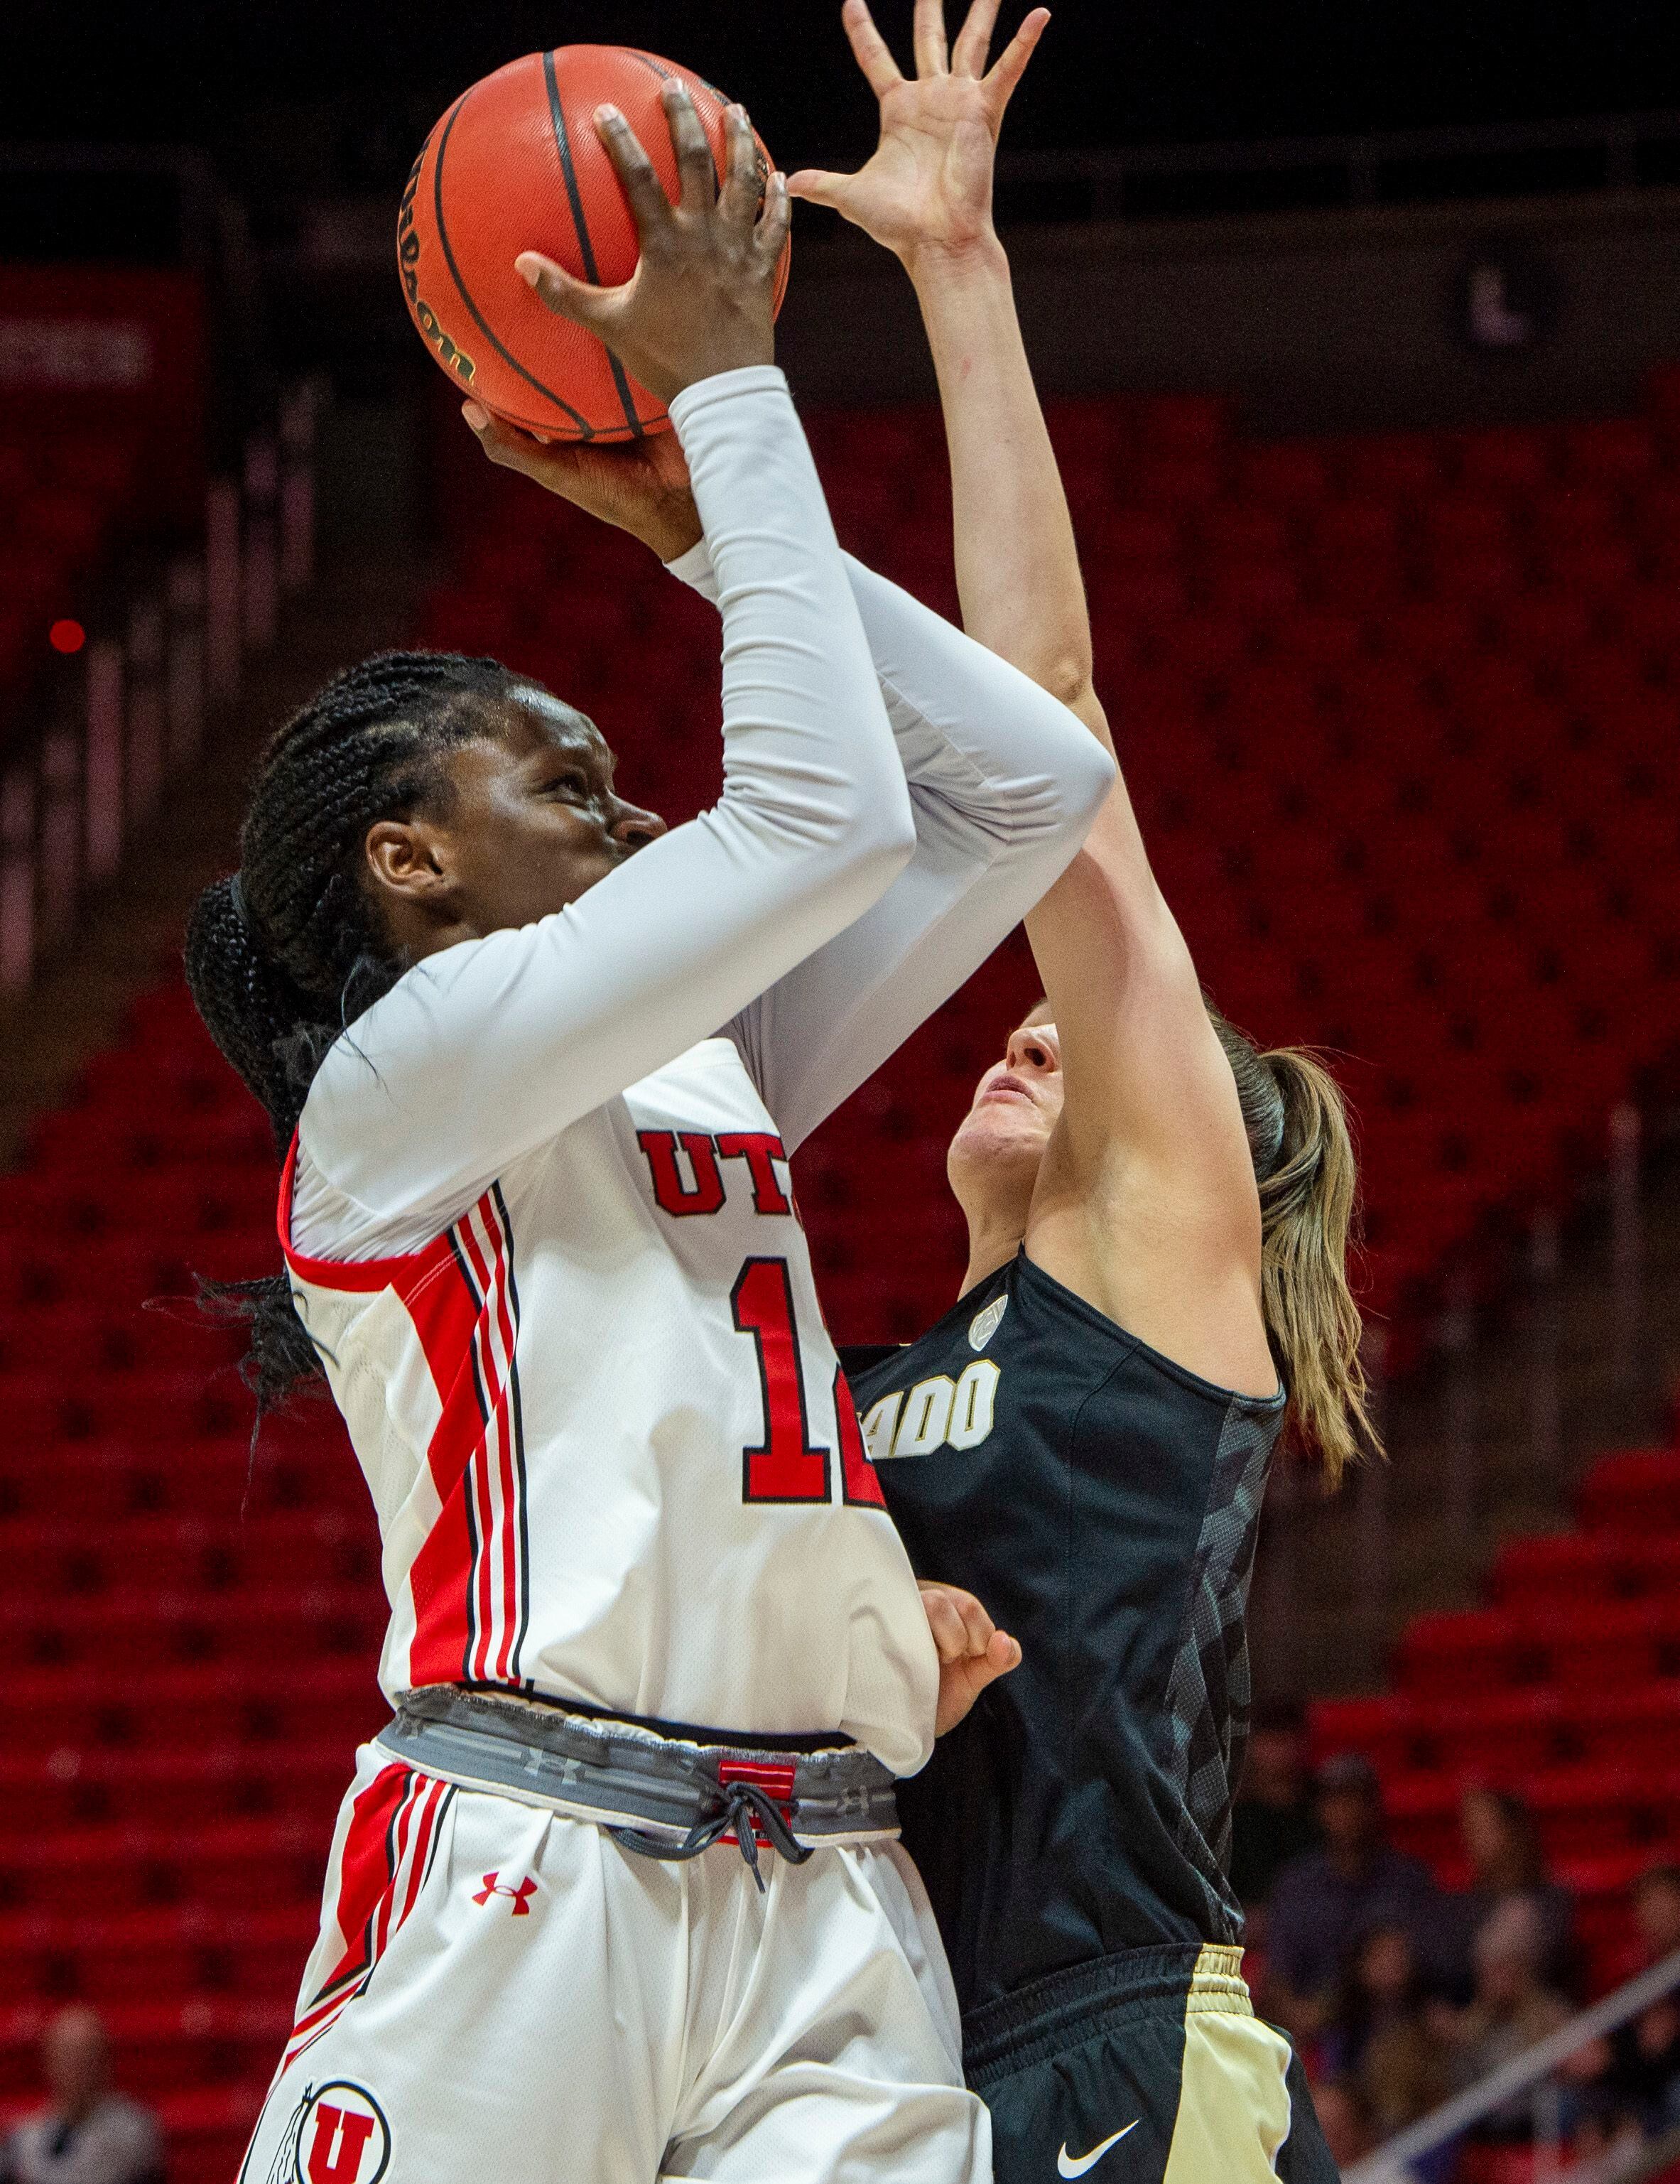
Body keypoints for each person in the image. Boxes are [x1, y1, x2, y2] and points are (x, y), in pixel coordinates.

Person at [188, 85, 1112, 2184]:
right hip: (533, 1863)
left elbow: (1021, 783)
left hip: (825, 1880)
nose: (621, 810)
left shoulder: (694, 1059)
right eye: (564, 783)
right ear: (408, 859)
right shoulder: (399, 1089)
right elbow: (822, 813)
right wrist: (726, 401)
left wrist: (697, 530)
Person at [792, 1, 1367, 2174]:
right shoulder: (849, 1369)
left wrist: (956, 269)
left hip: (1118, 2033)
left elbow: (1040, 727)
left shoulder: (1146, 1284)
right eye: (1011, 1024)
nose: (1023, 1030)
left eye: (1076, 1035)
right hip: (884, 2051)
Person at [1264, 1754, 1439, 2040]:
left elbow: (1427, 1973)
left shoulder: (1408, 1880)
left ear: (1374, 1806)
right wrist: (1304, 2016)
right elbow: (1278, 1980)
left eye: (1357, 1801)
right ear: (1321, 1810)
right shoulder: (1297, 1885)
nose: (1348, 1813)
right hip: (1317, 2033)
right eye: (1337, 1802)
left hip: (1394, 2028)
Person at [1437, 1786, 1576, 2001]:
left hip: (1538, 2016)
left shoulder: (1551, 1899)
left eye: (1482, 1828)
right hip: (1481, 2018)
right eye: (1469, 1829)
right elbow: (1454, 1970)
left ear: (1512, 1830)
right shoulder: (1464, 1906)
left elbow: (1551, 1968)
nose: (1471, 1839)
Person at [1321, 1923, 1453, 2142]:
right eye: (1381, 1955)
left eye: (1398, 1955)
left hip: (1414, 2141)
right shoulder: (1344, 2029)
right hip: (1357, 2140)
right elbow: (1334, 2092)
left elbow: (1439, 2102)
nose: (1390, 1963)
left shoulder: (1431, 2025)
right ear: (1362, 1964)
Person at [0, 2009, 163, 2184]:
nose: (77, 2067)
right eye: (67, 2055)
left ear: (106, 2061)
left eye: (87, 2055)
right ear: (48, 2062)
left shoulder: (133, 2130)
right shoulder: (24, 2138)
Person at [1230, 1699, 1321, 1930]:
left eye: (1285, 1739)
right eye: (1270, 1740)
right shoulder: (1235, 1819)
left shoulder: (1324, 1807)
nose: (1279, 1752)